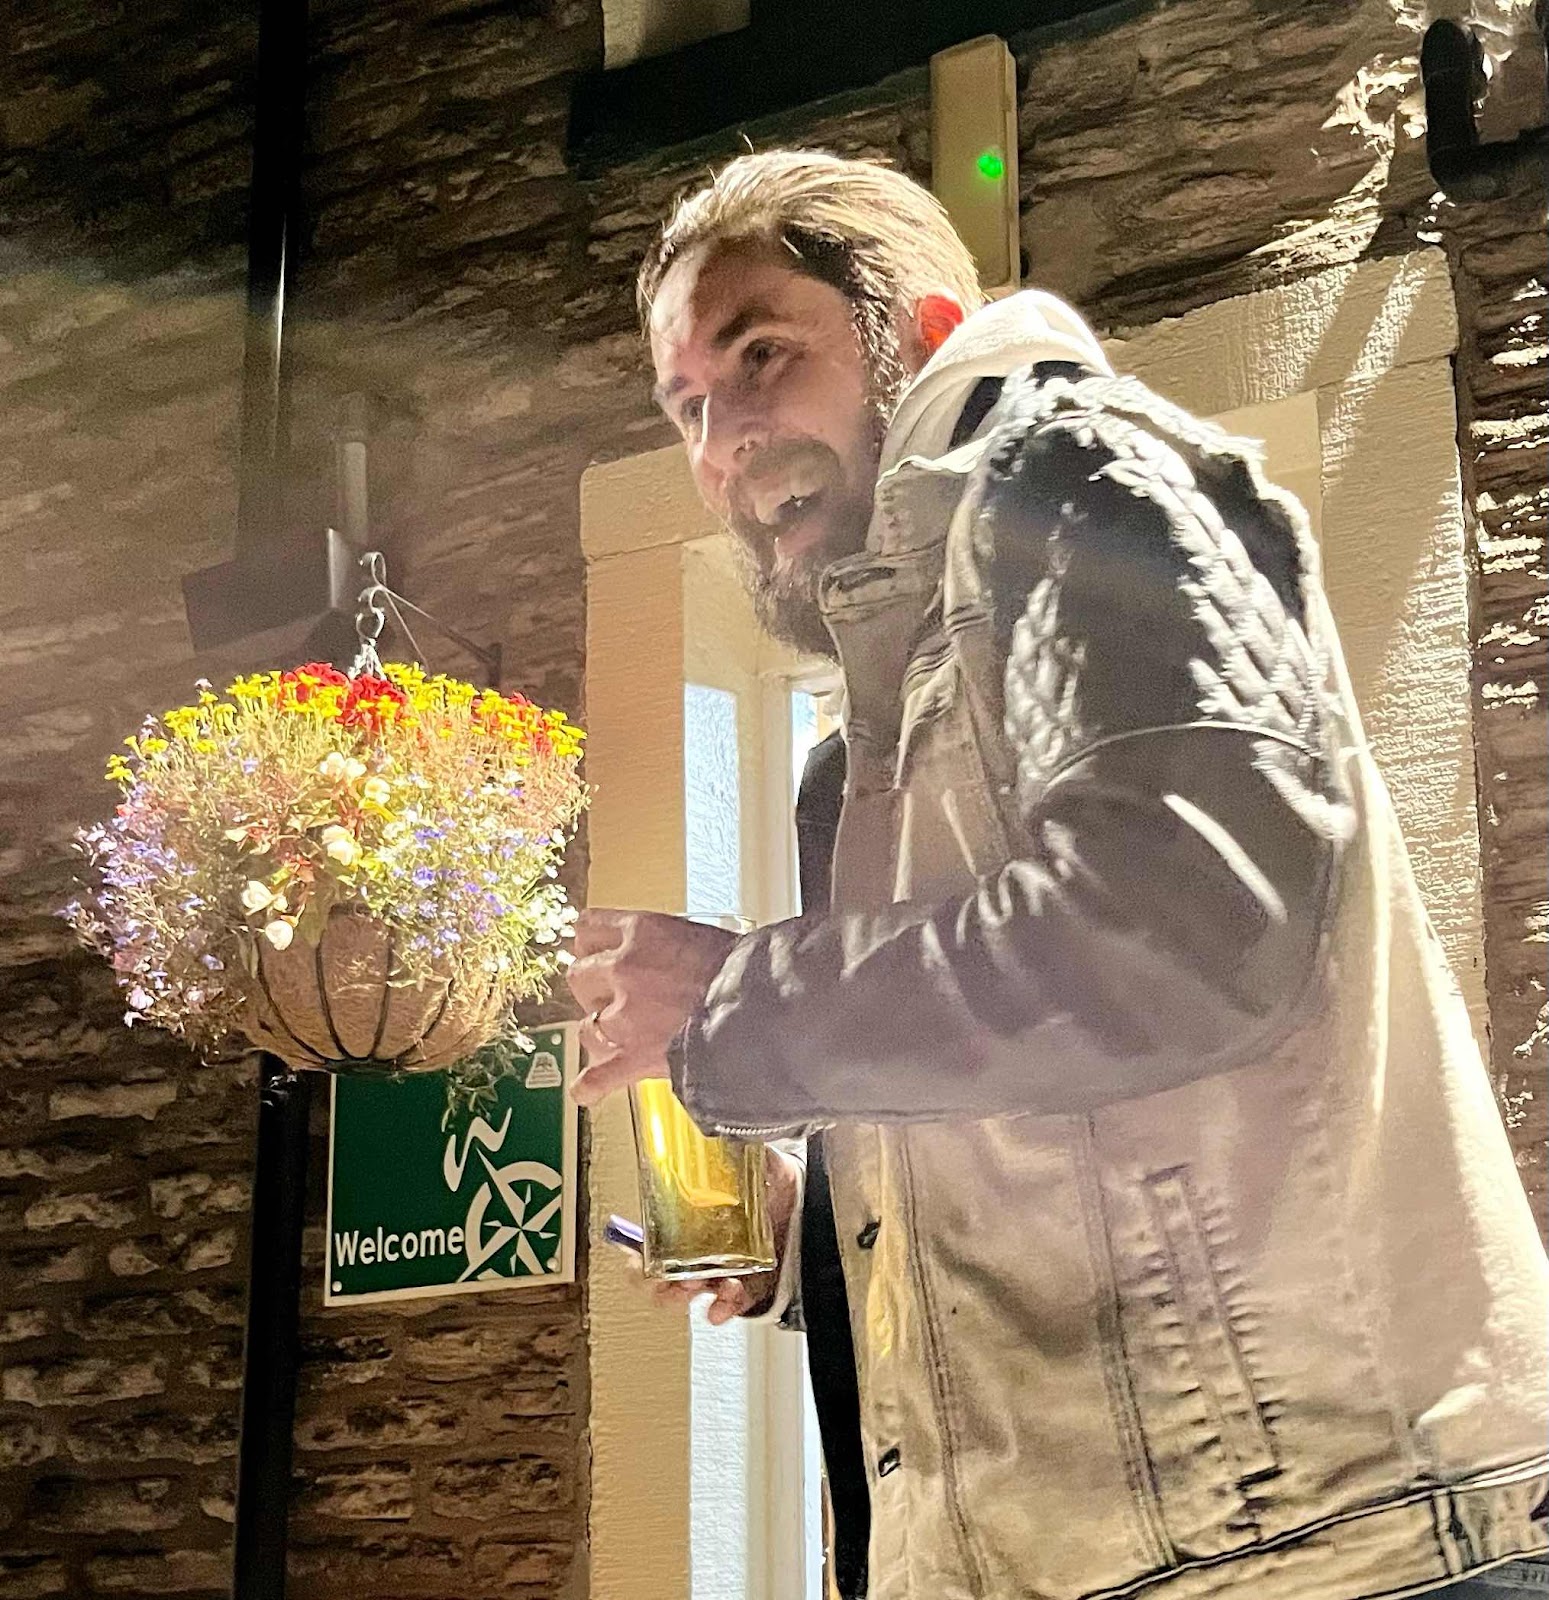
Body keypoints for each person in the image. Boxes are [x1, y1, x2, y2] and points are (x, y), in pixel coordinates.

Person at [566, 150, 1549, 1600]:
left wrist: (735, 1000)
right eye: (687, 406)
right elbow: (1054, 1124)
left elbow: (1178, 937)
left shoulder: (1076, 475)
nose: (724, 441)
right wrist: (812, 1242)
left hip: (1334, 1547)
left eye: (761, 355)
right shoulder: (861, 756)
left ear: (924, 335)